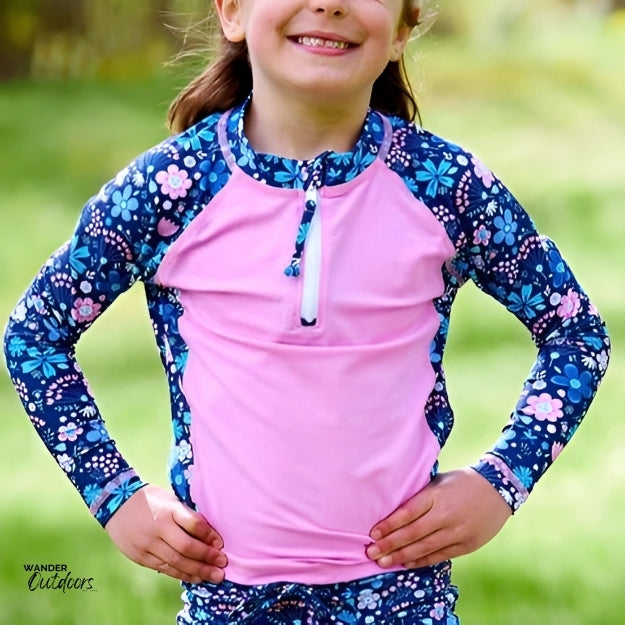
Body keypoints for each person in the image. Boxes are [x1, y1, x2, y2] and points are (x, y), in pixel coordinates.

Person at [3, 0, 611, 623]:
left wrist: (502, 481)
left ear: (402, 29)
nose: (328, 4)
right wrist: (114, 494)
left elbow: (576, 335)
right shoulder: (169, 188)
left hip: (403, 602)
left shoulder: (445, 185)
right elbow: (34, 335)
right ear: (233, 12)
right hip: (225, 603)